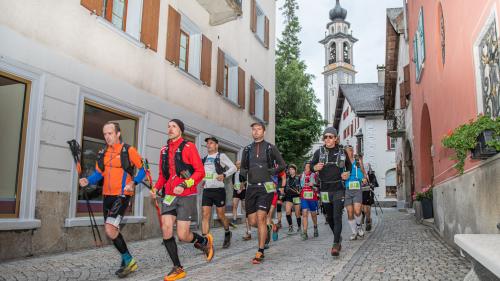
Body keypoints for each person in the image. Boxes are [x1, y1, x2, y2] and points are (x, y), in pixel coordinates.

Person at [79, 122, 146, 278]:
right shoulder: (103, 153)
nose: (107, 137)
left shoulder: (128, 150)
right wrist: (88, 180)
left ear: (118, 133)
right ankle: (127, 261)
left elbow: (144, 169)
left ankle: (129, 260)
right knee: (113, 230)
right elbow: (99, 174)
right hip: (107, 196)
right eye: (105, 134)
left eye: (110, 133)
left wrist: (133, 182)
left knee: (109, 229)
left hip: (122, 195)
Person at [153, 119, 213, 281]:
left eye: (174, 126)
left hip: (186, 195)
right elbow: (162, 175)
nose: (170, 129)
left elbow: (200, 172)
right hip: (169, 195)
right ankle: (177, 267)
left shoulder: (189, 147)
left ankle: (203, 241)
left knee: (182, 235)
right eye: (169, 126)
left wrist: (185, 183)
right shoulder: (164, 150)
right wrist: (156, 187)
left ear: (181, 130)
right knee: (166, 228)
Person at [240, 122, 286, 264]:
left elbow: (283, 165)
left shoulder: (270, 147)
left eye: (259, 129)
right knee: (253, 221)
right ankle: (265, 229)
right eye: (253, 129)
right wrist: (242, 178)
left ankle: (260, 251)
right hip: (251, 188)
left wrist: (271, 171)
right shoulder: (247, 149)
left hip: (266, 188)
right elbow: (243, 167)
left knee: (260, 218)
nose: (256, 132)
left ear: (264, 132)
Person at [310, 127, 351, 257]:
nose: (327, 139)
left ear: (336, 138)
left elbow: (349, 166)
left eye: (330, 137)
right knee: (329, 217)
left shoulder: (342, 151)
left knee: (337, 216)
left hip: (338, 188)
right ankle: (338, 238)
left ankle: (335, 245)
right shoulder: (319, 152)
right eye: (325, 137)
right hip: (325, 189)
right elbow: (311, 166)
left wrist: (347, 174)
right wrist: (314, 167)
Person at [201, 136, 237, 249]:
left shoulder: (221, 156)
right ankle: (205, 241)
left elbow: (233, 167)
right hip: (207, 190)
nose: (208, 145)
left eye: (211, 143)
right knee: (205, 215)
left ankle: (227, 232)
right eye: (207, 143)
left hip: (218, 190)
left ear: (216, 145)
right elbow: (202, 173)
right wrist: (203, 180)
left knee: (221, 215)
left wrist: (224, 175)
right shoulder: (204, 158)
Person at [344, 146, 368, 240]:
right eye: (347, 151)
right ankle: (354, 232)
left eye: (350, 150)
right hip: (347, 189)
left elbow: (362, 171)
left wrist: (364, 178)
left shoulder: (357, 161)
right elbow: (340, 174)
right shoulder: (343, 163)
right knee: (350, 213)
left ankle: (359, 226)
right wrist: (342, 176)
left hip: (357, 188)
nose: (349, 152)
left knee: (357, 211)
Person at [231, 160, 252, 239]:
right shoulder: (234, 172)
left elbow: (244, 181)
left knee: (244, 208)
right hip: (236, 191)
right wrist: (234, 186)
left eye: (239, 164)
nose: (237, 165)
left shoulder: (243, 171)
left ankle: (248, 219)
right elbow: (233, 181)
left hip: (243, 191)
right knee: (234, 205)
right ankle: (234, 221)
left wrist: (241, 188)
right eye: (236, 164)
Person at [300, 161, 319, 240]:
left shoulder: (314, 175)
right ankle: (305, 232)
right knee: (304, 213)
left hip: (312, 197)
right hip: (304, 196)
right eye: (306, 166)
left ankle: (315, 227)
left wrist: (313, 186)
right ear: (304, 167)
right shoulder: (301, 175)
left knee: (313, 214)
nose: (307, 168)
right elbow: (299, 186)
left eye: (309, 166)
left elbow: (318, 186)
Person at [284, 164, 301, 234]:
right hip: (289, 197)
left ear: (295, 170)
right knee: (288, 212)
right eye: (290, 169)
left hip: (296, 196)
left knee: (297, 213)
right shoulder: (287, 179)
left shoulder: (298, 178)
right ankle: (290, 226)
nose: (291, 171)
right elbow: (285, 188)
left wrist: (300, 191)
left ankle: (299, 227)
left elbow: (301, 186)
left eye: (292, 169)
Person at [363, 163, 378, 231]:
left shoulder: (371, 174)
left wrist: (371, 185)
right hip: (360, 193)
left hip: (368, 193)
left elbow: (374, 183)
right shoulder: (358, 174)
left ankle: (368, 220)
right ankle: (364, 220)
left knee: (367, 209)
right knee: (362, 209)